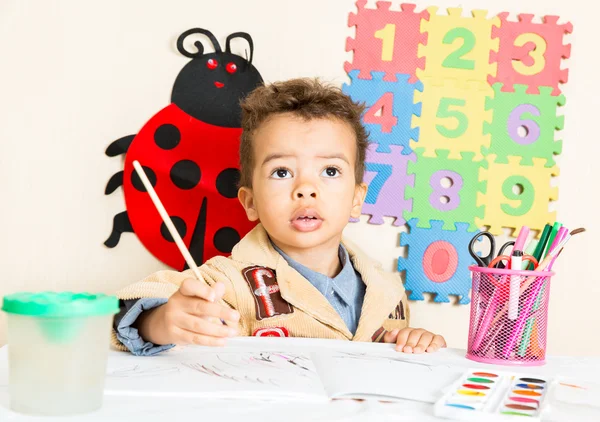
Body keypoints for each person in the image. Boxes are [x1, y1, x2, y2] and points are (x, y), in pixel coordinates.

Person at [112, 78, 446, 356]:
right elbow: (126, 310)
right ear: (250, 201)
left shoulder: (388, 291)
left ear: (357, 199)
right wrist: (160, 321)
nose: (305, 188)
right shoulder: (225, 283)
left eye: (330, 170)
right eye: (282, 171)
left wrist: (414, 342)